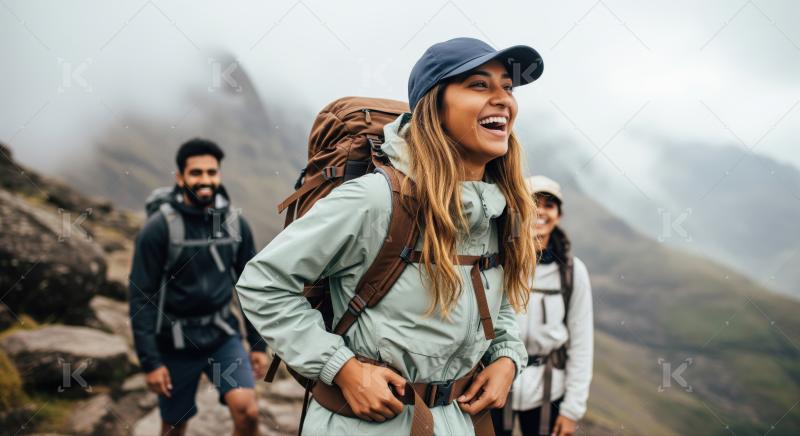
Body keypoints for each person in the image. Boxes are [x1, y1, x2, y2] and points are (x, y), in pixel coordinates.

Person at [236, 37, 545, 435]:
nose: (503, 98)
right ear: (434, 105)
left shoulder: (496, 210)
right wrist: (343, 369)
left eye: (508, 86)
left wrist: (506, 357)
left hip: (457, 422)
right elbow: (263, 283)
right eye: (480, 85)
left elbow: (494, 300)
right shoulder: (376, 200)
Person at [129, 139, 268, 436]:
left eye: (211, 172)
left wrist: (257, 344)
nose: (205, 180)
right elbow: (141, 298)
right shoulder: (158, 229)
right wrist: (150, 362)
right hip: (175, 343)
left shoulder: (233, 224)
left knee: (248, 412)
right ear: (180, 178)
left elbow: (250, 285)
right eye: (196, 173)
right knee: (173, 427)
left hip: (222, 337)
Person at [491, 175, 594, 436]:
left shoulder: (572, 272)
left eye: (550, 205)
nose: (541, 211)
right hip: (494, 383)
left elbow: (582, 344)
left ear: (558, 215)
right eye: (534, 201)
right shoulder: (497, 259)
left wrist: (572, 411)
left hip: (548, 393)